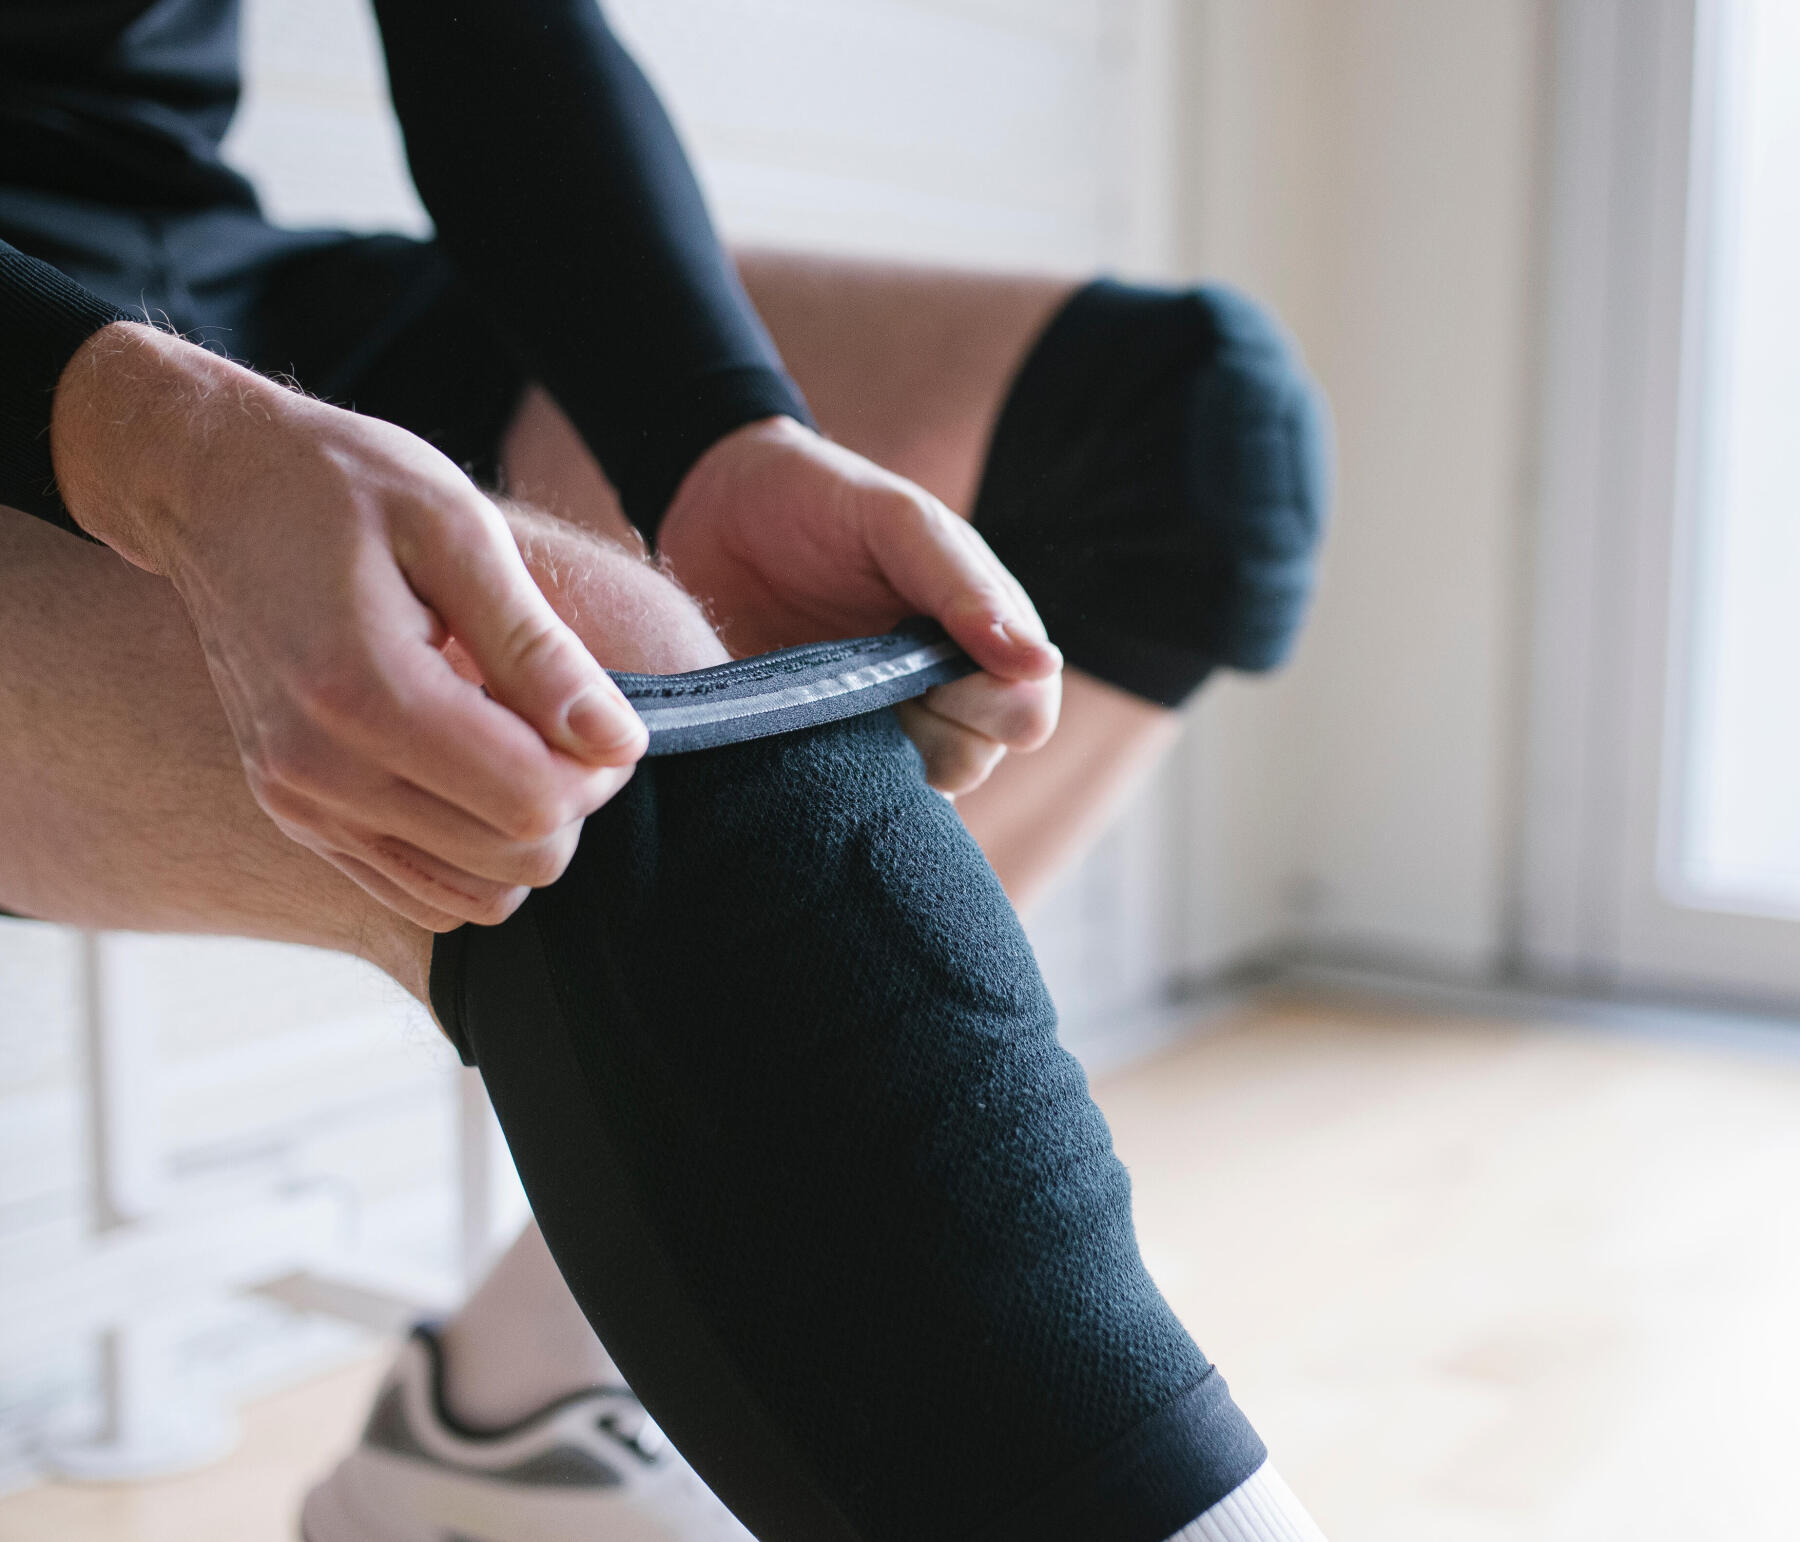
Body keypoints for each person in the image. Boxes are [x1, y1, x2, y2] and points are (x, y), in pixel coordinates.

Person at [0, 2, 1330, 1539]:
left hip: (181, 279)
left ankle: (522, 1400)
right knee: (615, 703)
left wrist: (715, 439)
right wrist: (153, 441)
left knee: (1184, 435)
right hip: (62, 387)